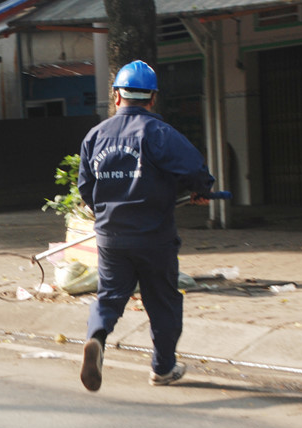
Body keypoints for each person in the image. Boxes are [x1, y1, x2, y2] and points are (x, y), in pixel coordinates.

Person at [77, 60, 215, 391]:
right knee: (163, 302)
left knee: (109, 298)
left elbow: (86, 188)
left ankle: (96, 337)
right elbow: (196, 172)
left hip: (111, 238)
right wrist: (200, 191)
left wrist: (107, 212)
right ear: (152, 98)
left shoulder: (95, 136)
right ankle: (163, 368)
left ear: (116, 95)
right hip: (154, 237)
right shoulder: (159, 133)